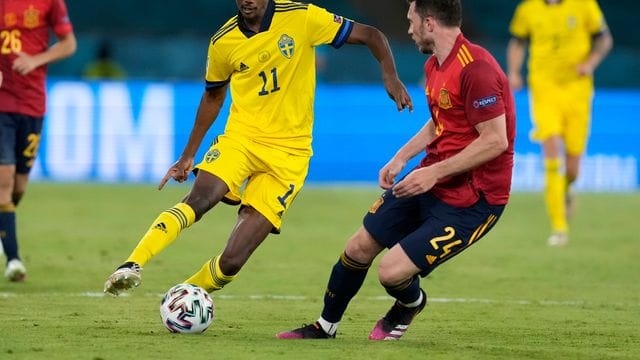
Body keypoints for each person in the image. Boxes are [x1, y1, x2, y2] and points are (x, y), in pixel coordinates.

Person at [103, 0, 412, 297]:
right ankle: (132, 264)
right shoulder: (223, 41)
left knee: (233, 261)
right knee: (200, 199)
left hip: (290, 155)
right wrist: (187, 156)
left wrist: (390, 74)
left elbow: (372, 35)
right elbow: (213, 96)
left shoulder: (303, 17)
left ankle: (184, 297)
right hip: (242, 139)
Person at [277, 0, 516, 340]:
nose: (408, 28)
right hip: (431, 180)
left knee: (391, 273)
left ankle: (410, 304)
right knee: (358, 246)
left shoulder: (476, 68)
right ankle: (325, 326)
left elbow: (495, 141)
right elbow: (439, 124)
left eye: (411, 20)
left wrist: (432, 173)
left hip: (475, 200)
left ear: (429, 23)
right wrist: (401, 157)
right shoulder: (436, 66)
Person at [507, 0, 613, 246]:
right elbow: (517, 41)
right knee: (551, 146)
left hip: (577, 90)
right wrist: (513, 71)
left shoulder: (584, 5)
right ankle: (559, 227)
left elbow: (604, 39)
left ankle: (567, 189)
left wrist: (590, 63)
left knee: (573, 166)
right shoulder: (528, 9)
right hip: (544, 89)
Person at [0, 0, 77, 281]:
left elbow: (68, 44)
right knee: (4, 181)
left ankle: (2, 228)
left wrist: (35, 59)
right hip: (2, 105)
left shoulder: (50, 2)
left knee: (18, 187)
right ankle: (14, 260)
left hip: (32, 106)